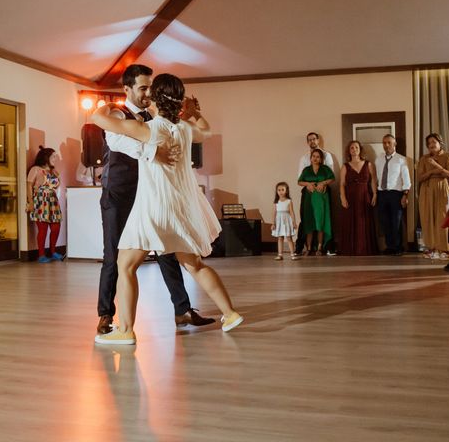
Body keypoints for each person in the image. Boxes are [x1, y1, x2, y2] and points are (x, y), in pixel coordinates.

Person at [90, 73, 243, 344]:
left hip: (154, 208)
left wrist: (106, 106)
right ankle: (230, 314)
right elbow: (206, 130)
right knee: (194, 264)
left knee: (125, 265)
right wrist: (195, 113)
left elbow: (99, 120)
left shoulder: (151, 129)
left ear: (156, 99)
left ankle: (125, 331)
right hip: (181, 209)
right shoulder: (185, 129)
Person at [295, 132, 335, 256]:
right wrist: (308, 184)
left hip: (322, 194)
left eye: (314, 139)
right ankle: (305, 247)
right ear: (308, 142)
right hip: (309, 193)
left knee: (322, 220)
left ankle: (323, 247)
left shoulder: (327, 156)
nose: (312, 141)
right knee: (307, 220)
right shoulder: (304, 159)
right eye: (309, 140)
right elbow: (299, 179)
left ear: (318, 140)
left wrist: (323, 183)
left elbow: (332, 176)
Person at [417, 133, 449, 259]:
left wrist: (435, 165)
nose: (431, 145)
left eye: (434, 142)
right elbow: (420, 178)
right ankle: (431, 247)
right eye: (429, 143)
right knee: (427, 217)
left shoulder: (448, 156)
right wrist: (434, 171)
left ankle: (444, 249)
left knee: (442, 217)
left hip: (442, 188)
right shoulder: (423, 158)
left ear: (440, 143)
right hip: (426, 190)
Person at [339, 140, 378, 256]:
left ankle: (364, 249)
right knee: (350, 222)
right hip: (350, 197)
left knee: (364, 222)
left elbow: (373, 181)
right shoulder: (345, 166)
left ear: (360, 150)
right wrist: (343, 198)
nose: (354, 149)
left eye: (356, 147)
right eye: (352, 148)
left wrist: (375, 194)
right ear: (349, 151)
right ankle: (350, 249)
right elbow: (342, 184)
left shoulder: (369, 164)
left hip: (365, 196)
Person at [375, 134, 411, 255]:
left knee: (396, 221)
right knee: (385, 221)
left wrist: (405, 195)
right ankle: (389, 246)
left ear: (394, 144)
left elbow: (406, 178)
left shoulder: (401, 159)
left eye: (389, 143)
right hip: (382, 193)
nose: (386, 145)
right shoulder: (379, 158)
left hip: (396, 194)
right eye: (384, 143)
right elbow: (376, 176)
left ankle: (398, 247)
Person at [26, 146, 63, 263]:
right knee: (43, 229)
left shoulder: (54, 171)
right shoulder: (35, 169)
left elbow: (57, 187)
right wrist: (31, 202)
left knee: (56, 227)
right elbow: (29, 186)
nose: (55, 158)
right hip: (40, 200)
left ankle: (53, 252)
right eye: (53, 156)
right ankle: (41, 254)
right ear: (46, 157)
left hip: (53, 200)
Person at [271, 182, 297, 260]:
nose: (281, 192)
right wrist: (273, 223)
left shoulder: (289, 201)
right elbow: (274, 213)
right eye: (279, 190)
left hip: (286, 221)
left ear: (286, 191)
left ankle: (292, 254)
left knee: (289, 237)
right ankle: (280, 254)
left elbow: (292, 212)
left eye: (282, 190)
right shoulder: (276, 201)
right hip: (279, 221)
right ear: (276, 191)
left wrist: (294, 222)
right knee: (280, 238)